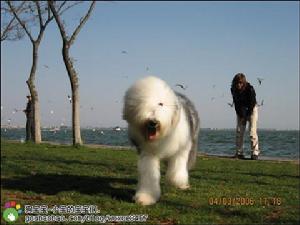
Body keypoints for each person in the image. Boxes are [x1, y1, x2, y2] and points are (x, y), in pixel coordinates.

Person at [231, 73, 260, 160]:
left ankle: (255, 152)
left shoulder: (250, 89)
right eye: (236, 83)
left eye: (240, 82)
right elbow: (236, 104)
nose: (238, 85)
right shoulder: (233, 90)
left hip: (252, 109)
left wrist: (247, 115)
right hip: (240, 110)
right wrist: (242, 116)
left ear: (244, 82)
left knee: (252, 132)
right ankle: (239, 152)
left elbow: (252, 104)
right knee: (239, 132)